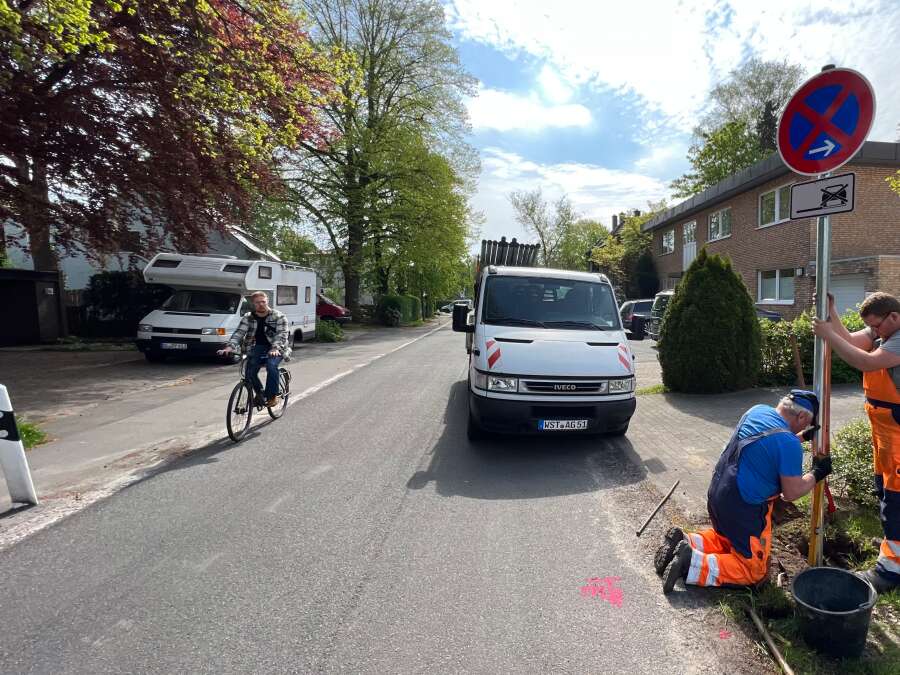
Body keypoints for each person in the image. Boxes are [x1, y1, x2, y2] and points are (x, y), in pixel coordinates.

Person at [657, 390, 831, 593]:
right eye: (806, 423)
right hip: (744, 509)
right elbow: (791, 493)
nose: (805, 427)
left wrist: (802, 437)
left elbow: (768, 443)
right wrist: (818, 472)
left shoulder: (757, 411)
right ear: (801, 416)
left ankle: (685, 541)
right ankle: (692, 562)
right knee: (753, 570)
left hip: (718, 495)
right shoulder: (788, 443)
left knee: (727, 539)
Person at [813, 291, 900, 594]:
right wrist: (832, 313)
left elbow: (864, 362)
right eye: (871, 328)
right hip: (886, 432)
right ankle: (892, 548)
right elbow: (850, 341)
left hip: (899, 434)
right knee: (884, 489)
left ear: (894, 317)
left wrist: (826, 333)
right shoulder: (882, 329)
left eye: (877, 327)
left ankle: (891, 572)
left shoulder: (899, 338)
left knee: (897, 501)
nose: (874, 333)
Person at [217, 290, 291, 407]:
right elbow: (239, 333)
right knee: (249, 372)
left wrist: (275, 348)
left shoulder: (279, 316)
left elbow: (282, 334)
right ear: (253, 304)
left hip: (278, 347)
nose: (261, 304)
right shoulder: (248, 317)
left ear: (267, 301)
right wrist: (230, 347)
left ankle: (272, 396)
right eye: (257, 302)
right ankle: (260, 394)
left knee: (271, 365)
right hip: (257, 347)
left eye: (263, 302)